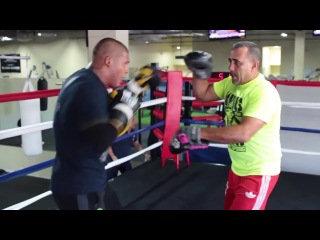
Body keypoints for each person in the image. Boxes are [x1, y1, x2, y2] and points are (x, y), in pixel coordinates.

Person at [170, 41, 282, 210]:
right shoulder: (231, 83)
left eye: (237, 62)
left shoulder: (263, 92)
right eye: (230, 61)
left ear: (254, 65)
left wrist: (199, 133)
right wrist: (200, 72)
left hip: (258, 171)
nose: (230, 67)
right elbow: (203, 94)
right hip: (237, 168)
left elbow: (244, 133)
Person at [50, 37, 158, 210]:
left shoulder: (81, 80)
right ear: (109, 61)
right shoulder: (90, 88)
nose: (125, 70)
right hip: (81, 186)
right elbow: (100, 140)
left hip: (85, 180)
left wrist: (132, 90)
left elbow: (92, 119)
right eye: (124, 64)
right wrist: (126, 108)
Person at [105, 116, 150, 181]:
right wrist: (114, 158)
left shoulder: (133, 131)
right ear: (128, 122)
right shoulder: (119, 131)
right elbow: (107, 143)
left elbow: (136, 143)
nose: (135, 122)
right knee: (110, 182)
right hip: (112, 160)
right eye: (133, 121)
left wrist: (145, 153)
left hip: (125, 159)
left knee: (130, 178)